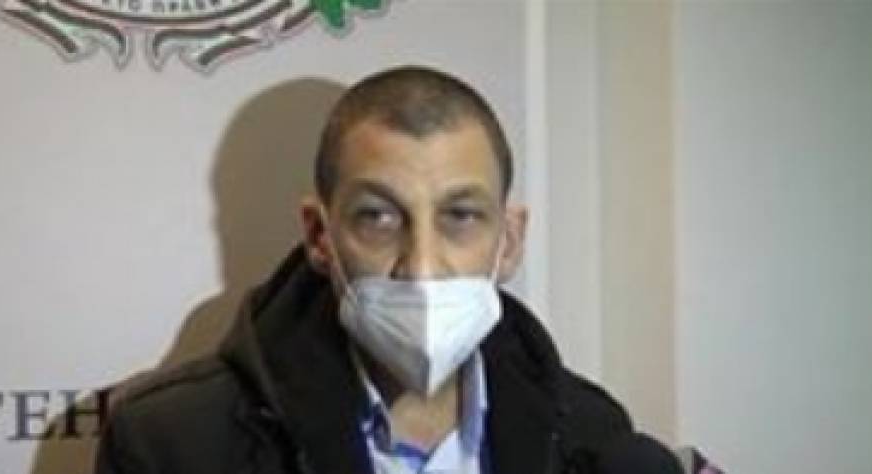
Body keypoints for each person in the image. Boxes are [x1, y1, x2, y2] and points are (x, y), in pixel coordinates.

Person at [95, 66, 681, 474]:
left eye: (460, 216)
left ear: (508, 241)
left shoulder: (592, 436)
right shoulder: (171, 445)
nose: (421, 267)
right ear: (320, 236)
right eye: (378, 217)